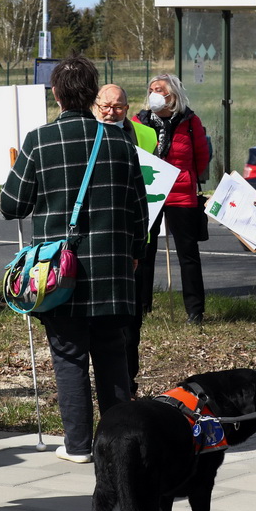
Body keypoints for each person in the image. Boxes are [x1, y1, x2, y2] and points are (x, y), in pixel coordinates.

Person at [1, 57, 149, 462]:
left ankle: (78, 446)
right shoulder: (121, 141)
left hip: (57, 273)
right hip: (113, 270)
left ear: (56, 94)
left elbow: (12, 205)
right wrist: (135, 255)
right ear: (93, 94)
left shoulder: (38, 140)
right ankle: (119, 446)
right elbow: (140, 211)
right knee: (112, 356)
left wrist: (18, 168)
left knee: (68, 356)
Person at [93, 83, 157, 395]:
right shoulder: (87, 133)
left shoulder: (145, 135)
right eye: (105, 106)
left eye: (118, 107)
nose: (111, 112)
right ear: (94, 105)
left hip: (136, 234)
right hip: (100, 236)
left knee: (132, 318)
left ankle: (128, 380)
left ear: (127, 108)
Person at [134, 73, 210, 323]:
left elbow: (201, 157)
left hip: (181, 192)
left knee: (188, 253)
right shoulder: (139, 121)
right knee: (144, 250)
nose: (154, 93)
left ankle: (195, 311)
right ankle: (141, 306)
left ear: (173, 94)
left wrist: (186, 179)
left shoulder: (190, 121)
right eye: (151, 88)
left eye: (160, 89)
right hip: (150, 193)